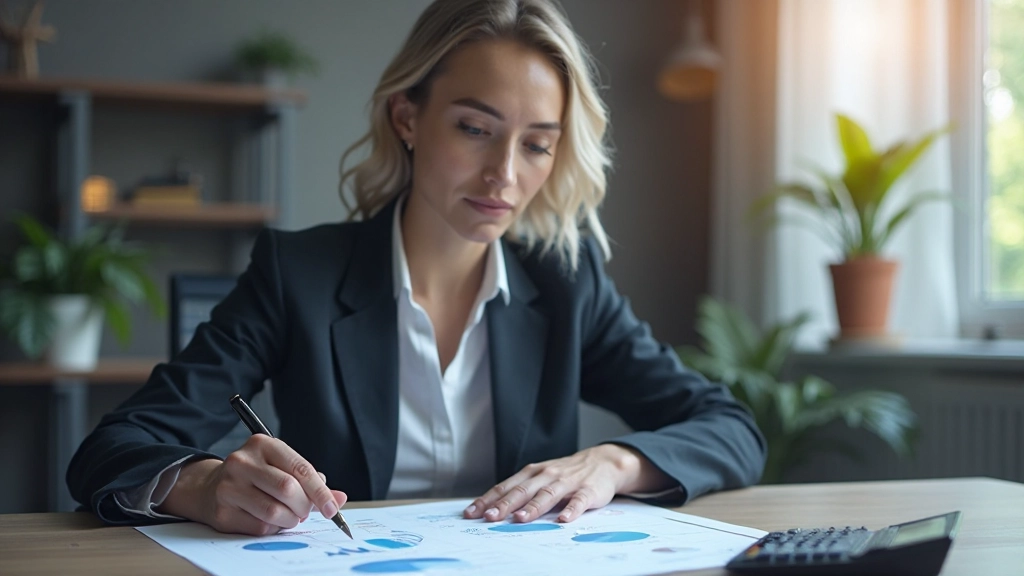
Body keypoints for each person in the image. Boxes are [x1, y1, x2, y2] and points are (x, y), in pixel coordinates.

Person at [67, 0, 766, 536]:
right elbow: (113, 448)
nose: (505, 175)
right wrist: (201, 484)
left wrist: (612, 463)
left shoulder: (566, 280)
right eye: (475, 128)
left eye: (537, 145)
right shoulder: (298, 275)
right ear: (407, 117)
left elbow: (730, 427)